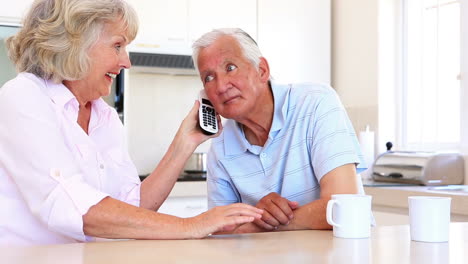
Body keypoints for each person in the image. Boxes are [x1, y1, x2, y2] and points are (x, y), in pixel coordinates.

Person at [0, 1, 263, 245]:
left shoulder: (105, 117)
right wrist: (191, 225)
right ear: (75, 43)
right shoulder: (23, 97)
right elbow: (69, 205)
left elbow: (134, 207)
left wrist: (185, 141)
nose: (126, 61)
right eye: (117, 45)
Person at [191, 28, 366, 233]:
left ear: (262, 70)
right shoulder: (220, 145)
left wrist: (263, 220)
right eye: (209, 78)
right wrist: (261, 218)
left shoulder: (316, 102)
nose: (220, 87)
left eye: (230, 67)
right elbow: (221, 232)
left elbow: (344, 207)